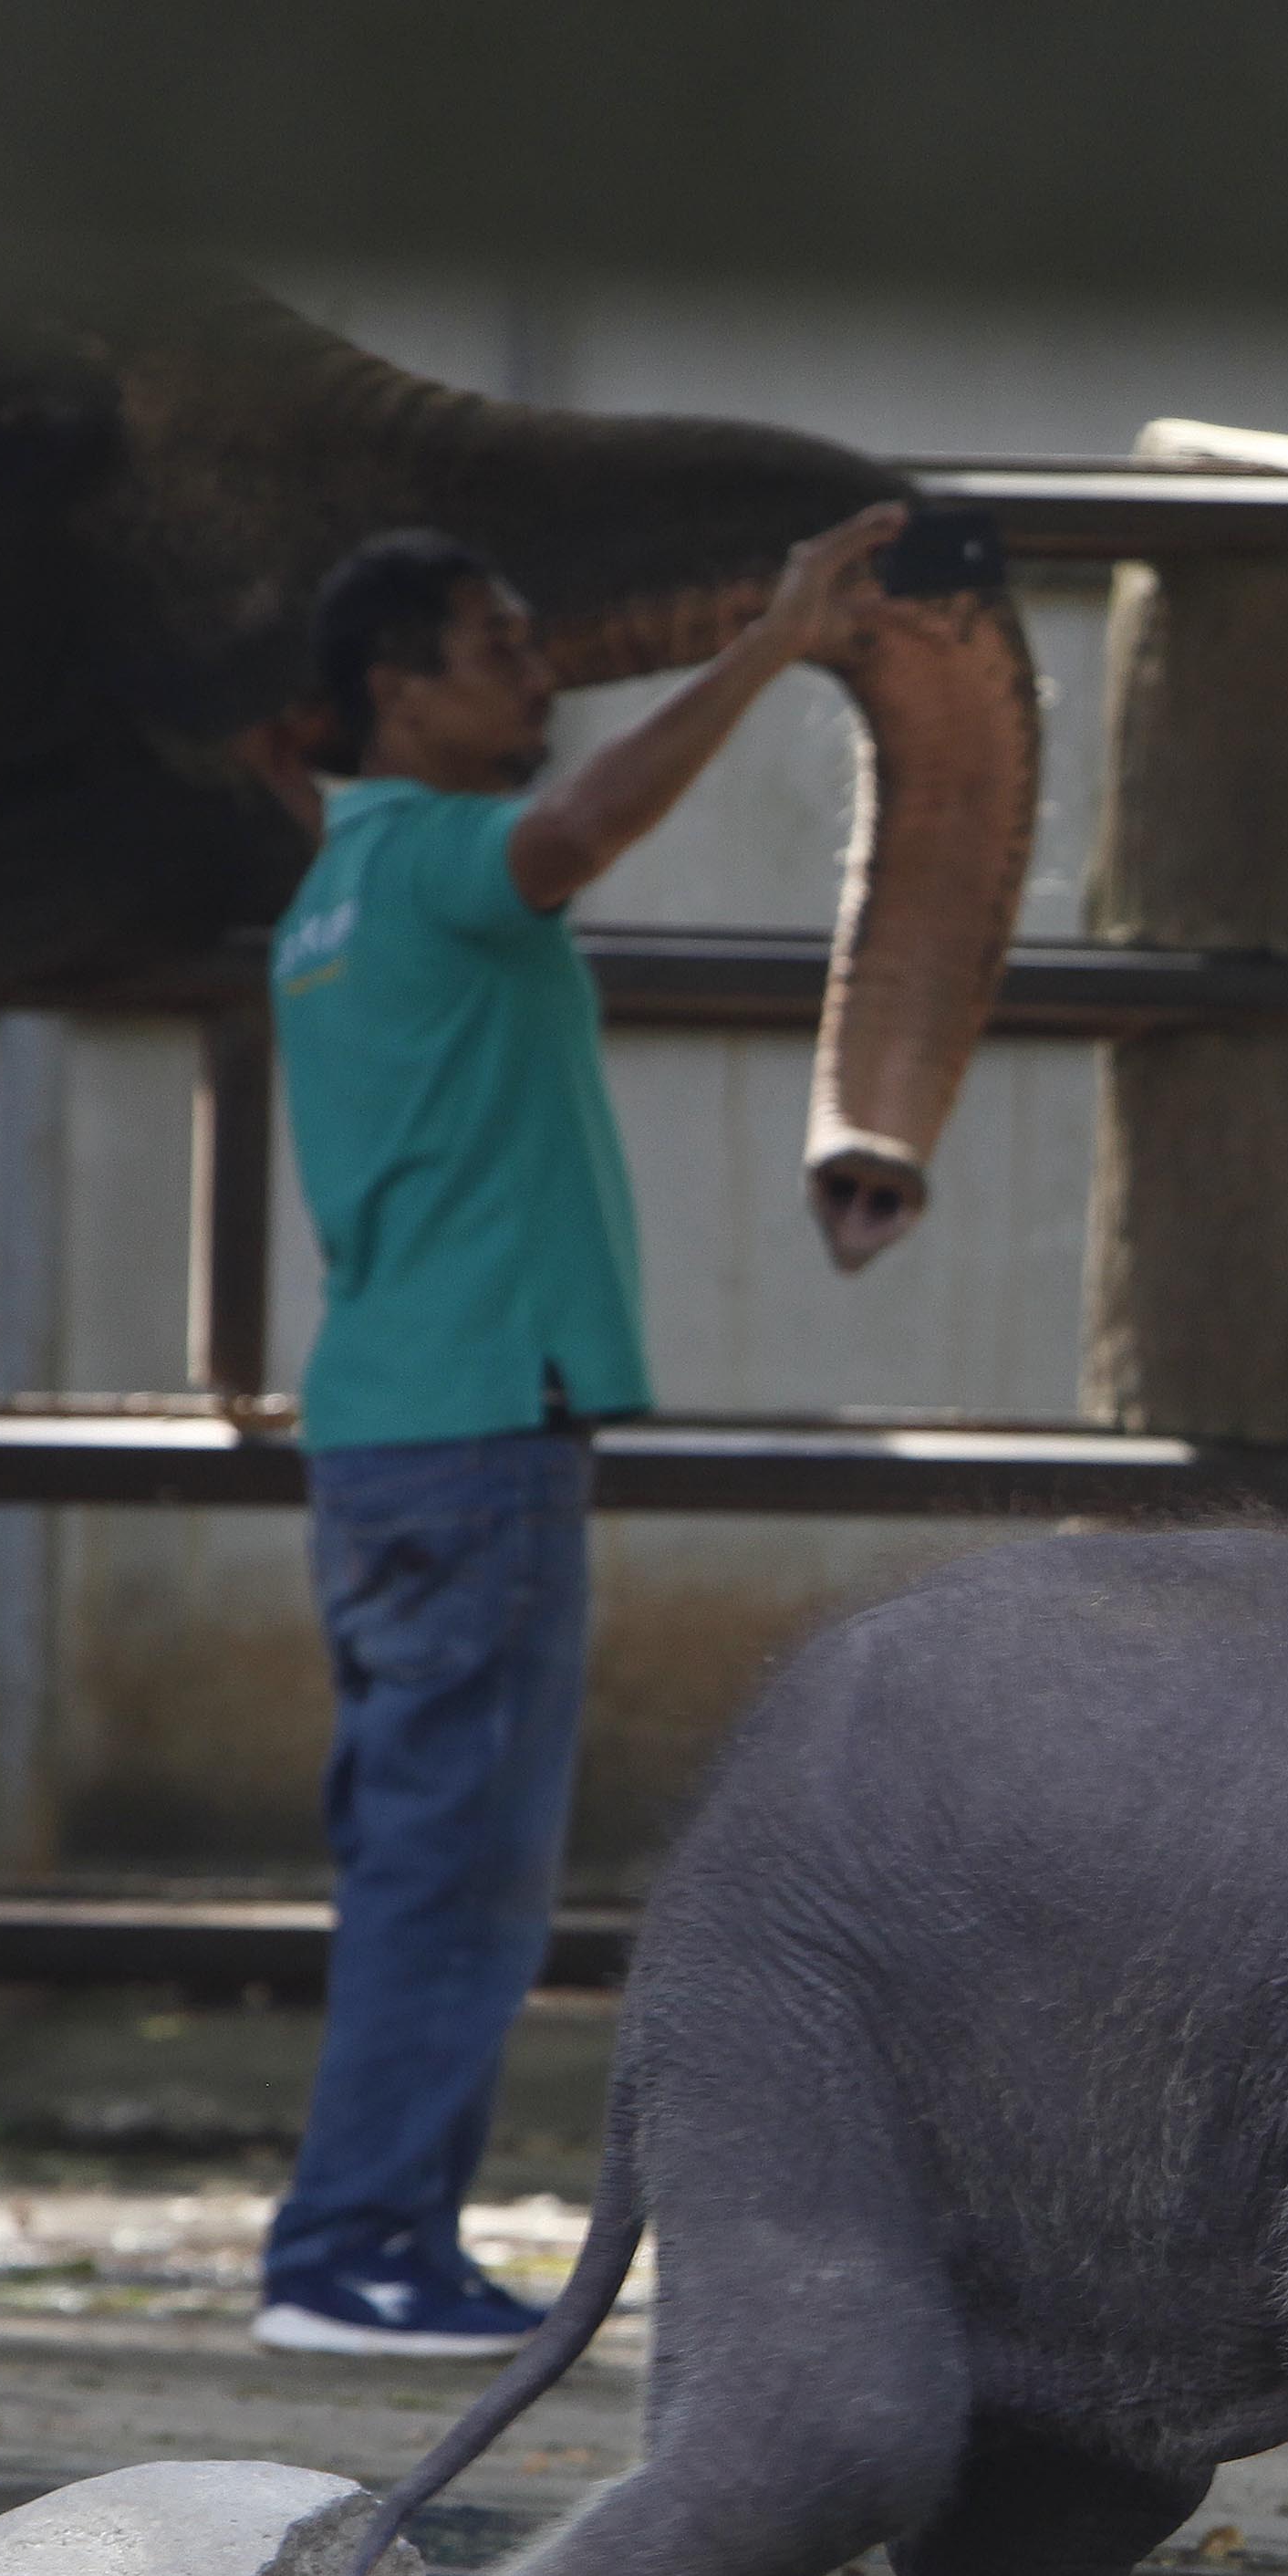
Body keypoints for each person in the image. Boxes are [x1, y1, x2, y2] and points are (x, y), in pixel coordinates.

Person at [248, 501, 904, 2356]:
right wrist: (777, 643)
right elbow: (580, 830)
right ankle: (357, 2253)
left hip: (395, 1424)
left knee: (418, 1856)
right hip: (473, 1430)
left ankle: (372, 2238)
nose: (537, 670)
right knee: (461, 1869)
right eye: (500, 643)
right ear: (397, 689)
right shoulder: (455, 858)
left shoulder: (334, 887)